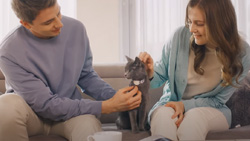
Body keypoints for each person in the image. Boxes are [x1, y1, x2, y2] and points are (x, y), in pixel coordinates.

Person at [0, 0, 142, 141]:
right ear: (26, 24)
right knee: (6, 105)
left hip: (70, 116)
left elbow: (86, 76)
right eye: (48, 22)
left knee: (88, 124)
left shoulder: (76, 29)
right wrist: (105, 106)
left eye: (58, 13)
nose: (59, 24)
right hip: (31, 116)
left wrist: (117, 98)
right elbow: (46, 105)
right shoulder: (8, 51)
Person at [139, 0, 250, 140]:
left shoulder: (242, 53)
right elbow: (158, 77)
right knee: (163, 118)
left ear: (220, 23)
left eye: (199, 23)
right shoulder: (179, 37)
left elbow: (218, 100)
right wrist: (149, 72)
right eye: (189, 21)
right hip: (171, 104)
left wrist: (184, 105)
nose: (191, 29)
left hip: (213, 110)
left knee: (193, 120)